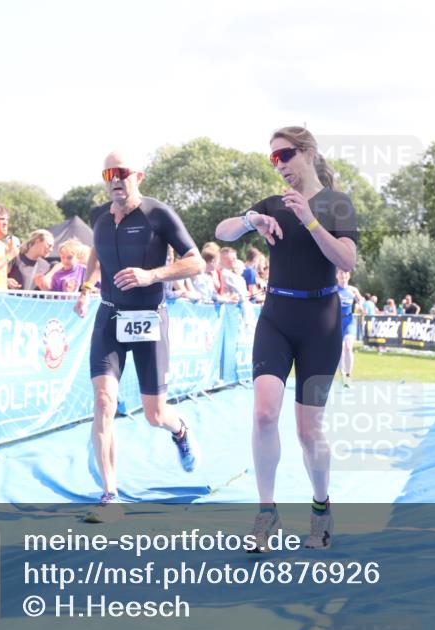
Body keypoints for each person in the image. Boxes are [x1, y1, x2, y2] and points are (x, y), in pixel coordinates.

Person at [215, 125, 358, 550]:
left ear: (308, 152)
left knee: (308, 431)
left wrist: (310, 220)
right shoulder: (272, 205)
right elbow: (223, 232)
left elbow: (346, 257)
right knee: (263, 413)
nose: (278, 165)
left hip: (321, 323)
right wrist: (250, 220)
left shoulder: (337, 203)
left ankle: (320, 508)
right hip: (276, 315)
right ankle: (266, 512)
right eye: (272, 158)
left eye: (285, 156)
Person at [73, 151, 206, 511]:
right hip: (110, 317)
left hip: (149, 319)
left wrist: (153, 275)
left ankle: (179, 430)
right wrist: (87, 288)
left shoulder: (157, 213)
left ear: (139, 176)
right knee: (103, 402)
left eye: (122, 172)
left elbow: (196, 261)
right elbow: (95, 255)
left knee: (154, 414)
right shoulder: (99, 215)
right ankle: (110, 494)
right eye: (108, 173)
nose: (115, 179)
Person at [336, 269, 361, 389]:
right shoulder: (334, 289)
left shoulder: (353, 290)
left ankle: (348, 375)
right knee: (339, 349)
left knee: (348, 347)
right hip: (336, 322)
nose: (343, 276)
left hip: (349, 321)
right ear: (337, 275)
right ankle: (342, 377)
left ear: (349, 276)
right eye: (341, 273)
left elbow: (361, 301)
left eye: (345, 274)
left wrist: (360, 306)